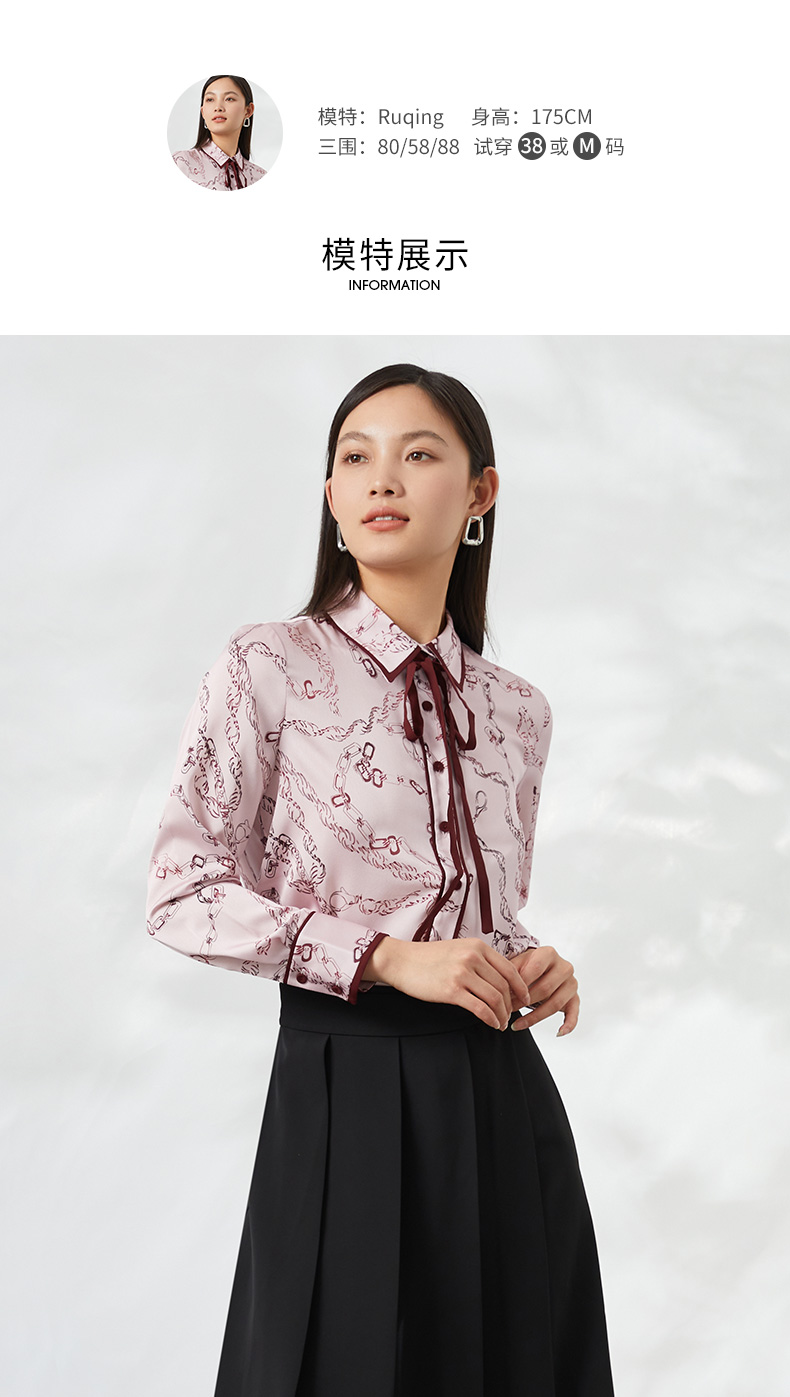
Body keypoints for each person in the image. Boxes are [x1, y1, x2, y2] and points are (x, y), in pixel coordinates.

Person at [145, 363, 616, 1396]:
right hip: (343, 1082)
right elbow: (180, 889)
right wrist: (386, 958)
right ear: (330, 495)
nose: (381, 478)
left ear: (481, 492)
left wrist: (527, 959)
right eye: (355, 457)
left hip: (502, 1092)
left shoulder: (518, 710)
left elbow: (485, 909)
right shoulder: (268, 665)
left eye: (418, 453)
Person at [172, 74, 267, 190]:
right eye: (210, 99)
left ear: (248, 110)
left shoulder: (260, 177)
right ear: (203, 112)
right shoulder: (181, 163)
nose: (218, 107)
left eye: (229, 99)